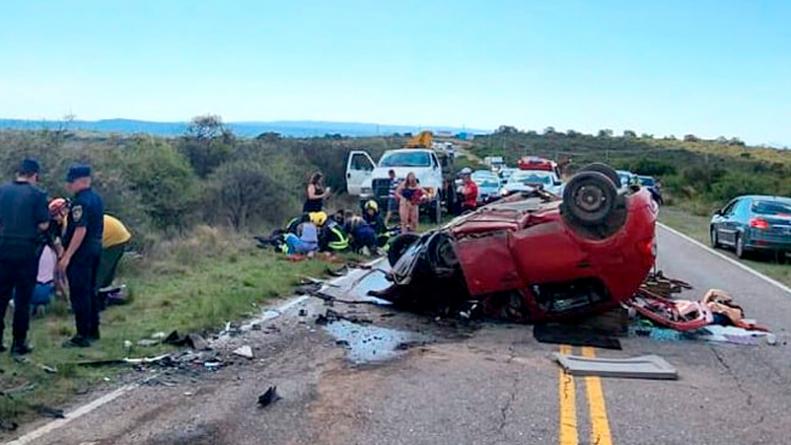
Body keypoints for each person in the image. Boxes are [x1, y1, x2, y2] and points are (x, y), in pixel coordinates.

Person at [0, 159, 50, 355]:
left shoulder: (2, 191)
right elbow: (44, 224)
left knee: (1, 297)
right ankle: (18, 343)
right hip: (26, 252)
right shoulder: (37, 195)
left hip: (3, 250)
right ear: (34, 175)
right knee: (22, 299)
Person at [60, 164, 104, 348]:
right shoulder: (96, 198)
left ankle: (82, 334)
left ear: (80, 181)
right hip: (95, 248)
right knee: (90, 290)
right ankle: (93, 330)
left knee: (79, 292)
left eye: (71, 182)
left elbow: (80, 229)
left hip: (81, 251)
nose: (69, 185)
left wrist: (68, 255)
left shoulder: (80, 202)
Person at [97, 214, 132, 291]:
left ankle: (90, 297)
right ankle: (104, 293)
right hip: (119, 234)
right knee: (106, 272)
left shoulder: (68, 221)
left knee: (98, 271)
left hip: (113, 237)